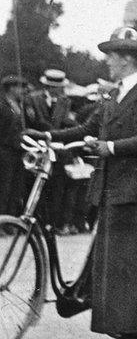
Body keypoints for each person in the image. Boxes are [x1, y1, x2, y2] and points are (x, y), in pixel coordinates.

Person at [25, 25, 137, 339]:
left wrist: (109, 147)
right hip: (116, 189)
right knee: (120, 264)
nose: (108, 62)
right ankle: (127, 330)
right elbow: (86, 129)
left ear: (127, 59)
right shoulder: (113, 95)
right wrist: (48, 137)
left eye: (111, 56)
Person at [26, 69, 77, 234]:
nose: (56, 89)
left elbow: (67, 122)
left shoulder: (65, 102)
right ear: (46, 85)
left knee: (57, 188)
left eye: (58, 87)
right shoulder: (33, 99)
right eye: (52, 86)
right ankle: (36, 223)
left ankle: (52, 224)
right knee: (38, 186)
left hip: (58, 150)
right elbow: (33, 121)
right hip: (39, 147)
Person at [0, 75, 28, 215]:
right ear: (11, 88)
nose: (22, 90)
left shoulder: (19, 105)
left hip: (18, 151)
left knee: (15, 188)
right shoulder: (2, 105)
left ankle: (10, 218)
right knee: (4, 187)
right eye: (20, 87)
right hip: (5, 151)